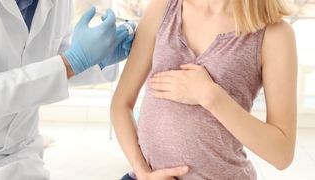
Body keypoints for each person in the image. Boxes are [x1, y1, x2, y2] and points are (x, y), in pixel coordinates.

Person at [111, 0, 297, 179]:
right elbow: (121, 104)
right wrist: (143, 173)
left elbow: (282, 154)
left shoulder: (275, 34)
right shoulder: (162, 8)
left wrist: (209, 95)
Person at [0, 0, 135, 179]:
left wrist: (100, 60)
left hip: (23, 151)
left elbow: (54, 55)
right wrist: (71, 62)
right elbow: (65, 64)